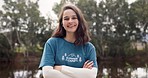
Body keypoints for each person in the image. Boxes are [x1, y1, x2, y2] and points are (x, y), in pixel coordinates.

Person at [39, 3, 98, 78]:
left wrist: (60, 68)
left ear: (79, 21)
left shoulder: (89, 48)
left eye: (74, 18)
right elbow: (47, 74)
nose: (70, 21)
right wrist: (81, 73)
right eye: (66, 19)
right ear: (62, 23)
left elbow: (91, 75)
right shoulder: (52, 43)